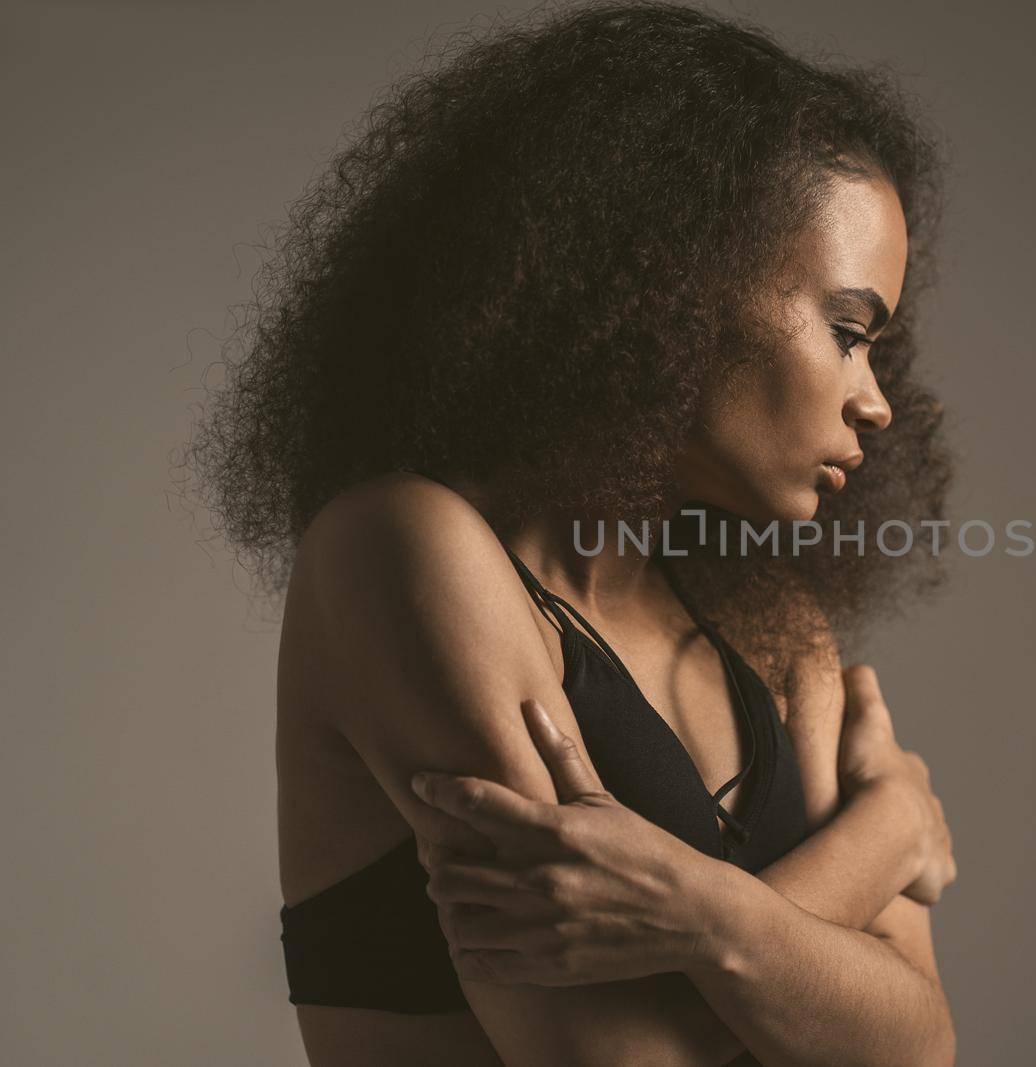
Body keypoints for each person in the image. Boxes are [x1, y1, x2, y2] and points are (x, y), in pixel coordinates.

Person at [180, 3, 958, 1064]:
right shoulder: (399, 547)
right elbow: (615, 1055)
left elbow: (918, 1045)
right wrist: (884, 835)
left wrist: (697, 910)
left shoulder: (775, 626)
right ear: (679, 284)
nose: (876, 402)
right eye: (846, 332)